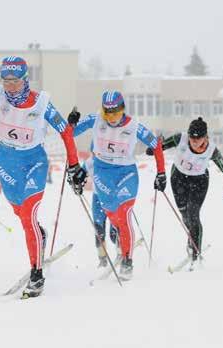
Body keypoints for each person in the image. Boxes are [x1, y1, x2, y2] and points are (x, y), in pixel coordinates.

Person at [0, 56, 84, 297]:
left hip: (34, 161)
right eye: (7, 81)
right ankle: (39, 236)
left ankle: (37, 274)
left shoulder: (41, 103)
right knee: (21, 214)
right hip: (6, 162)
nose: (11, 87)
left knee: (28, 215)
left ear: (26, 80)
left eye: (16, 81)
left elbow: (65, 131)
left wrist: (74, 166)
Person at [67, 90, 166, 280]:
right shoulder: (96, 119)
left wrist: (161, 173)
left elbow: (156, 146)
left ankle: (128, 260)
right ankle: (119, 242)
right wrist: (71, 123)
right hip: (103, 175)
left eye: (116, 113)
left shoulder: (134, 125)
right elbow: (69, 133)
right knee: (114, 217)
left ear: (123, 110)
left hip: (126, 173)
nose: (111, 118)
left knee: (125, 213)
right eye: (108, 113)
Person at [146, 117, 223, 269]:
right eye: (192, 138)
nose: (194, 142)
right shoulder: (181, 138)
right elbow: (161, 146)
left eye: (198, 139)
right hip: (178, 178)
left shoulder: (211, 150)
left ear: (205, 137)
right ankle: (191, 238)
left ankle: (195, 251)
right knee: (185, 214)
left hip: (199, 182)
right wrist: (153, 149)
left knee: (193, 213)